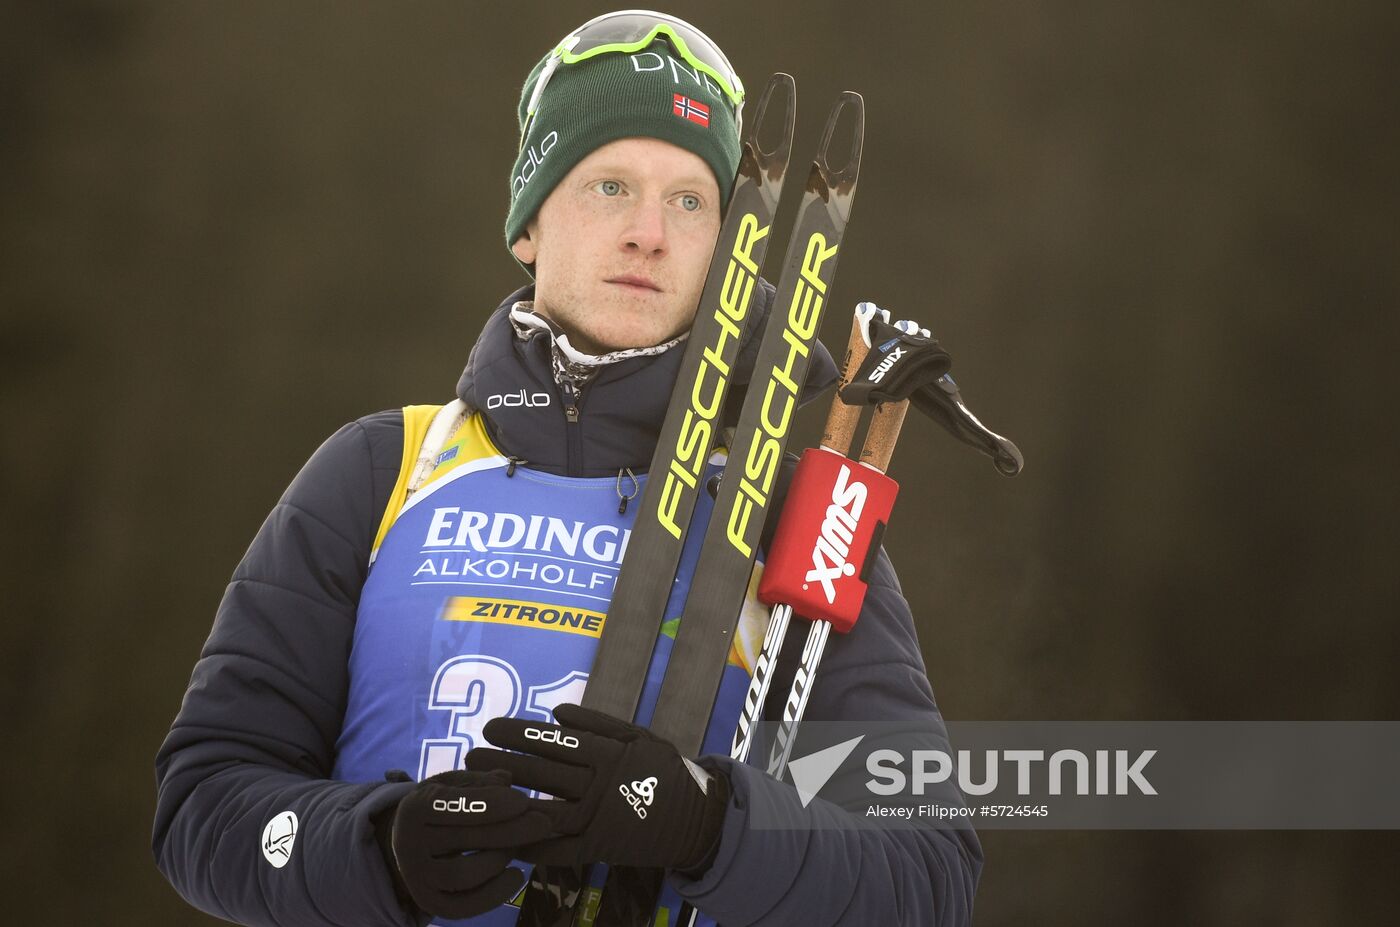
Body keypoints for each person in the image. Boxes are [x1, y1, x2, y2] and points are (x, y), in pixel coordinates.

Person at [153, 11, 982, 926]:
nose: (649, 233)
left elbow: (927, 871)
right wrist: (375, 847)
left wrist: (710, 827)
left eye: (692, 201)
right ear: (528, 226)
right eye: (610, 185)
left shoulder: (788, 511)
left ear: (727, 248)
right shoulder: (382, 469)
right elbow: (205, 802)